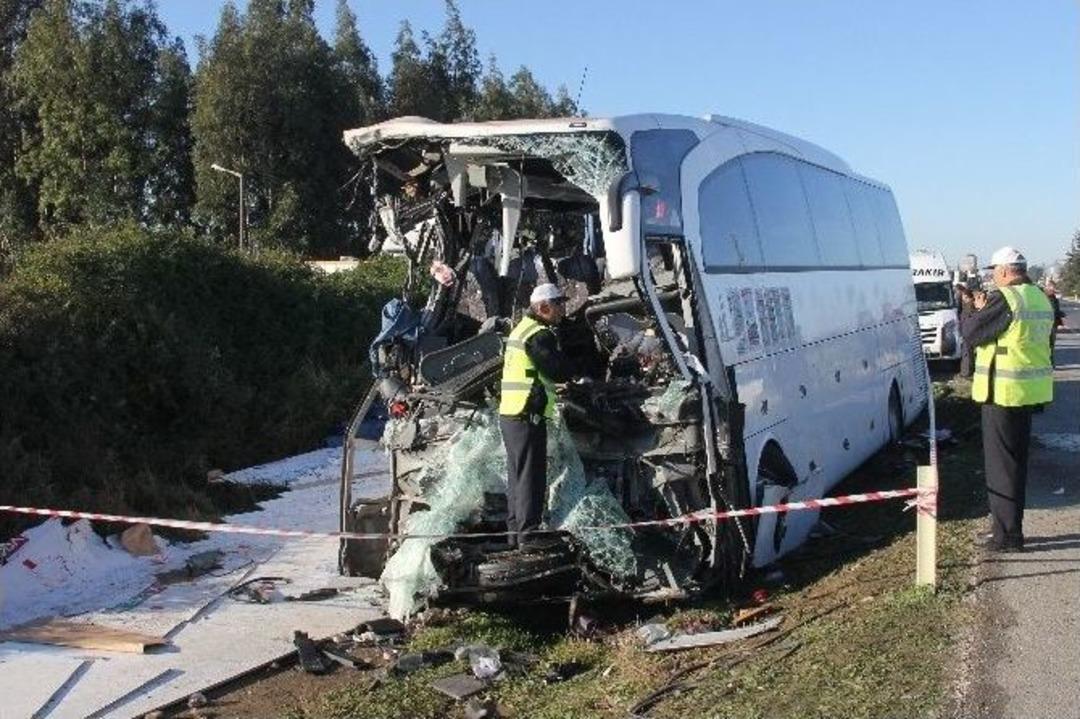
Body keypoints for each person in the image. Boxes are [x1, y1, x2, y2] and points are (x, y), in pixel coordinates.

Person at [960, 247, 1055, 552]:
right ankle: (1011, 530)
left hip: (1003, 393)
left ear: (1003, 271)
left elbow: (972, 333)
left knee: (1001, 468)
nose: (992, 277)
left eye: (993, 272)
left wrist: (973, 308)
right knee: (1016, 465)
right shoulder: (1039, 296)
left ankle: (1006, 537)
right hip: (1028, 392)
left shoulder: (1005, 298)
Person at [498, 283, 576, 548]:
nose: (563, 310)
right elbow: (557, 369)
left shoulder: (520, 330)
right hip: (526, 413)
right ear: (543, 307)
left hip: (511, 413)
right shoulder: (539, 334)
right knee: (531, 476)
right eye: (559, 305)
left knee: (517, 476)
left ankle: (515, 535)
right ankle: (530, 536)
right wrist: (577, 368)